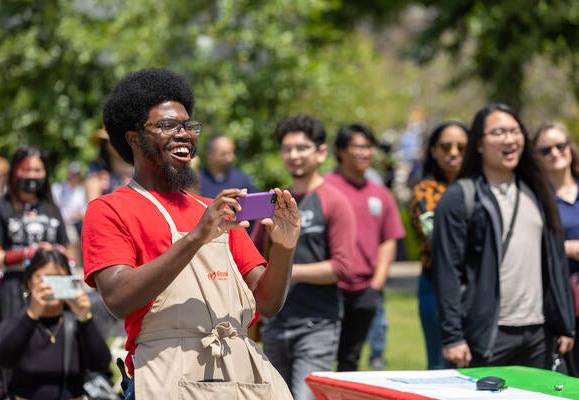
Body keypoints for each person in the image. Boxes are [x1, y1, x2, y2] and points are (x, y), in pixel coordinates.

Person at [82, 68, 299, 399]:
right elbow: (118, 299)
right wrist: (197, 237)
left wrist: (283, 249)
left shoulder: (215, 210)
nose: (184, 134)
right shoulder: (110, 210)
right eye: (168, 125)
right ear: (133, 138)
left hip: (240, 376)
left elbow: (267, 304)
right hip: (165, 376)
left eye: (188, 125)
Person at [432, 103, 575, 370]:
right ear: (479, 144)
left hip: (539, 335)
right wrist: (453, 337)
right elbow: (446, 271)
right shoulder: (460, 198)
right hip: (486, 336)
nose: (509, 139)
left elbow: (555, 262)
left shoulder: (538, 192)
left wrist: (564, 323)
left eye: (515, 131)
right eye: (498, 132)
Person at [250, 115, 356, 400]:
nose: (293, 155)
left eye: (301, 148)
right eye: (287, 149)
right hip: (274, 324)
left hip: (317, 325)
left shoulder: (334, 200)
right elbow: (252, 256)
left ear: (321, 152)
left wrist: (285, 271)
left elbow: (343, 267)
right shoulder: (275, 201)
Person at [0, 146, 69, 399]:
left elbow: (66, 246)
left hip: (55, 288)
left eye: (38, 169)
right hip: (14, 290)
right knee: (9, 359)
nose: (33, 174)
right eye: (27, 169)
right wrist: (27, 254)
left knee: (57, 351)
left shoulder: (51, 209)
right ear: (15, 172)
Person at [325, 123, 405, 372]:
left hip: (364, 292)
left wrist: (376, 285)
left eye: (369, 147)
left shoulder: (380, 194)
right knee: (320, 359)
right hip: (326, 289)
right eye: (358, 147)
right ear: (340, 151)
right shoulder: (324, 187)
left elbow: (389, 239)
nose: (365, 153)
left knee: (351, 361)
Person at [0, 249, 111, 399]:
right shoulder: (16, 321)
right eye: (44, 279)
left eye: (59, 279)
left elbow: (100, 364)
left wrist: (85, 318)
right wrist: (31, 316)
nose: (51, 286)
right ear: (29, 282)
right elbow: (3, 359)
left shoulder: (79, 323)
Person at [409, 121, 469, 370]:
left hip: (480, 287)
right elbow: (439, 243)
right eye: (446, 147)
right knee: (441, 364)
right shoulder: (425, 192)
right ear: (434, 151)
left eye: (461, 147)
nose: (454, 153)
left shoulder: (482, 187)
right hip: (436, 284)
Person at [533, 120, 579, 375]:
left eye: (560, 145)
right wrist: (565, 249)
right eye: (545, 150)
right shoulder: (535, 199)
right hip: (560, 303)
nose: (554, 153)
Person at [199, 134, 257, 198]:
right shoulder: (198, 181)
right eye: (223, 154)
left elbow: (256, 202)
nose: (230, 159)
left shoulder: (242, 179)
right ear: (209, 156)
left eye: (231, 153)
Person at [51, 161, 88, 264]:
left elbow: (83, 210)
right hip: (62, 221)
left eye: (76, 174)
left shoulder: (81, 190)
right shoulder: (59, 188)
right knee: (71, 238)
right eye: (72, 174)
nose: (74, 177)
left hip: (76, 222)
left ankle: (76, 264)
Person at [84, 129, 133, 202]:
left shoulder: (141, 171)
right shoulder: (96, 175)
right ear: (106, 145)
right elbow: (94, 207)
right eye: (115, 141)